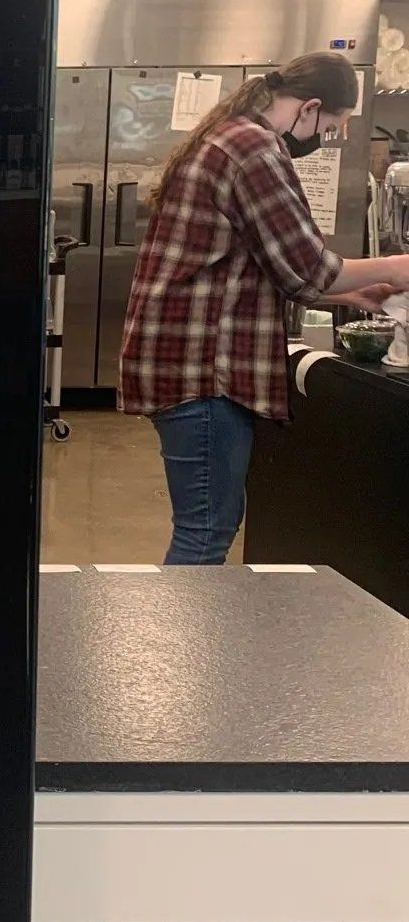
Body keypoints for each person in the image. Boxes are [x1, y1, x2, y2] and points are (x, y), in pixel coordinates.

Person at [119, 51, 409, 564]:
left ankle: (183, 639)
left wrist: (349, 295)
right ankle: (179, 644)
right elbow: (311, 266)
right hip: (204, 370)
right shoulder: (254, 147)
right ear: (311, 106)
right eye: (332, 125)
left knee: (206, 524)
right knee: (205, 530)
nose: (327, 136)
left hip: (187, 361)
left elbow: (258, 266)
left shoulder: (230, 135)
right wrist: (394, 267)